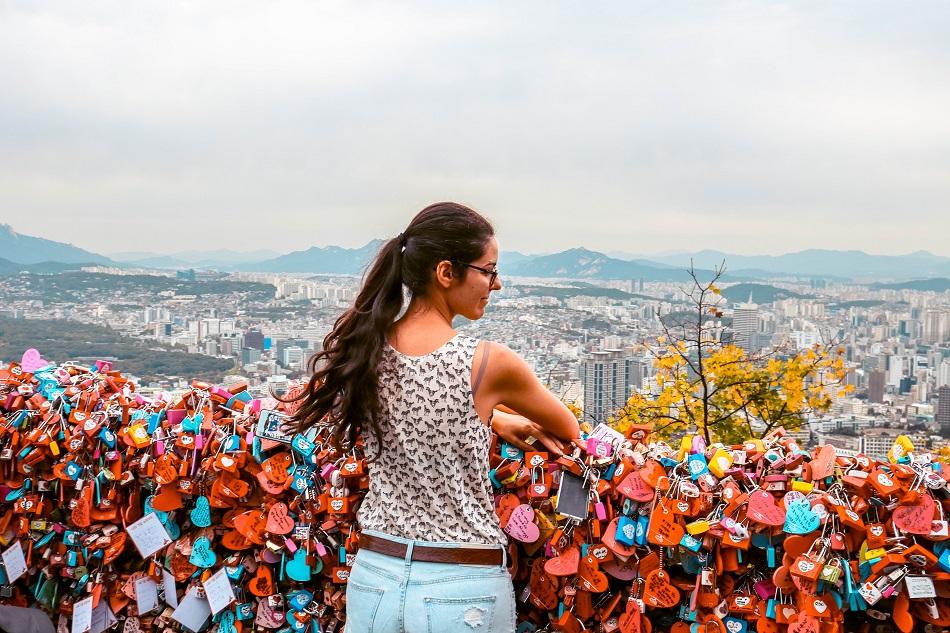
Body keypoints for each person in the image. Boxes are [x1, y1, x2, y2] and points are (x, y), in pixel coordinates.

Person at [291, 202, 580, 633]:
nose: (495, 285)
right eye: (489, 270)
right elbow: (568, 429)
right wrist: (495, 414)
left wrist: (490, 419)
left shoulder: (365, 349)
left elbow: (417, 407)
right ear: (446, 273)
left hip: (374, 579)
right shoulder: (487, 364)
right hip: (462, 587)